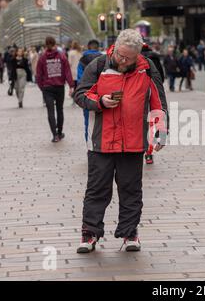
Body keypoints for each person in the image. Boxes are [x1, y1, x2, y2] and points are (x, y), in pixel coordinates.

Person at [73, 29, 167, 253]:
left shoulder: (147, 69)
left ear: (138, 55)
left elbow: (158, 102)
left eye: (129, 58)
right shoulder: (97, 66)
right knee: (97, 189)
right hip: (100, 142)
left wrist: (160, 133)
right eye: (120, 56)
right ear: (114, 48)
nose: (123, 61)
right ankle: (90, 233)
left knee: (131, 190)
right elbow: (80, 94)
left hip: (133, 142)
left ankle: (130, 232)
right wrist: (101, 102)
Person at [36, 36, 74, 143]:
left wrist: (41, 87)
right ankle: (60, 132)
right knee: (59, 110)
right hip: (59, 87)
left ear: (45, 44)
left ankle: (55, 135)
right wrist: (71, 85)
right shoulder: (62, 56)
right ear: (54, 43)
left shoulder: (42, 58)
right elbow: (67, 71)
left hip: (47, 88)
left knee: (50, 112)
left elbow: (38, 74)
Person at [77, 39, 103, 143]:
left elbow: (80, 78)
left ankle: (90, 144)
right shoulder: (104, 58)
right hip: (102, 95)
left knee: (88, 122)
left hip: (87, 95)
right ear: (98, 47)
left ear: (88, 47)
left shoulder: (83, 60)